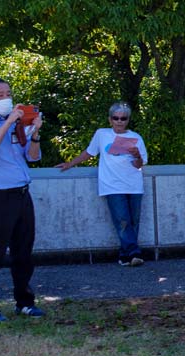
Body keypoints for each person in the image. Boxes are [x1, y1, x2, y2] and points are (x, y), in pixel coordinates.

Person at [0, 77, 47, 322]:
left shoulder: (18, 126)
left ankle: (24, 302)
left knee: (23, 252)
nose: (7, 98)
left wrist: (34, 133)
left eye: (8, 93)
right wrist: (9, 122)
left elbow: (32, 157)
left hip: (22, 194)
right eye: (0, 95)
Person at [57, 101, 150, 267]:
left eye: (123, 118)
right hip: (112, 185)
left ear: (128, 120)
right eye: (116, 118)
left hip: (134, 184)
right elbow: (89, 153)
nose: (119, 121)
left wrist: (137, 155)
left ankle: (125, 256)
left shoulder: (136, 137)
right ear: (110, 119)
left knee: (133, 221)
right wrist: (70, 164)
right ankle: (135, 253)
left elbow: (139, 165)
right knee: (122, 220)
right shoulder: (102, 134)